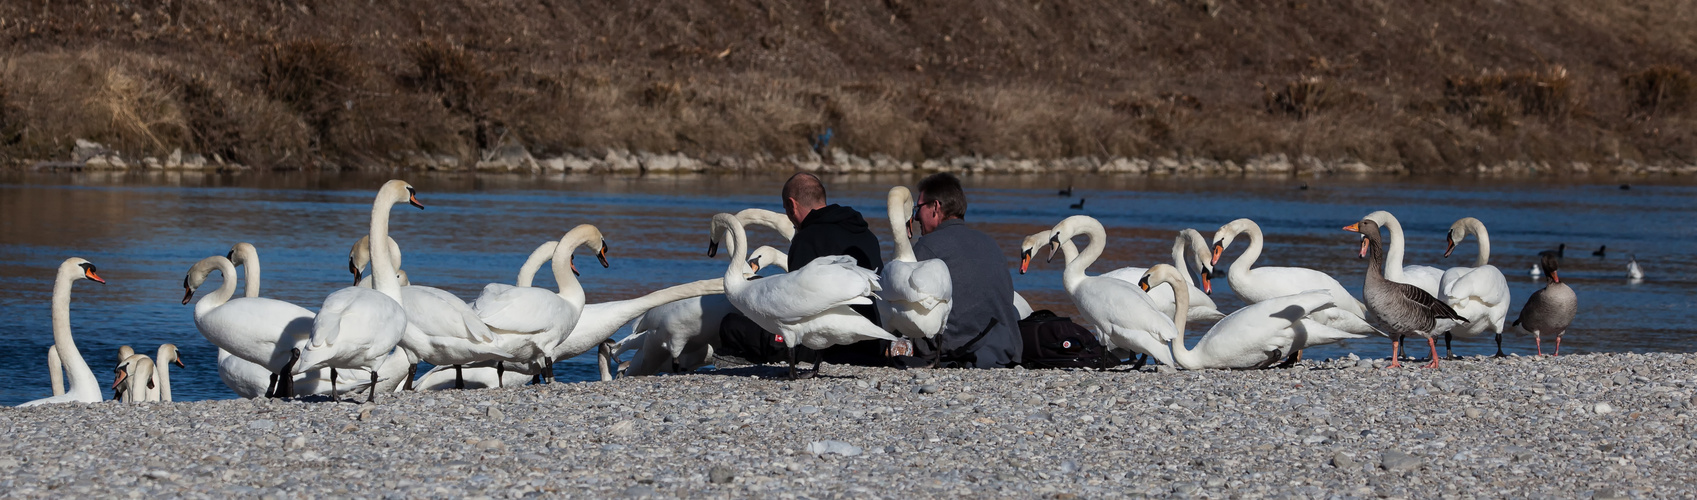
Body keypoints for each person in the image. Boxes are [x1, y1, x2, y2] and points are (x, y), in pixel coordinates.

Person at [716, 172, 888, 366]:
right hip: (873, 344)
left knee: (732, 325)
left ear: (791, 205)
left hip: (830, 347)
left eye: (786, 210)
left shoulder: (807, 239)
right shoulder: (867, 234)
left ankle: (740, 362)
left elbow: (797, 308)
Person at [905, 172, 1023, 368]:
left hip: (958, 350)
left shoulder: (927, 246)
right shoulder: (990, 243)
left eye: (919, 208)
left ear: (935, 207)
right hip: (1006, 349)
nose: (916, 216)